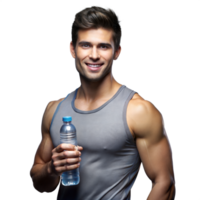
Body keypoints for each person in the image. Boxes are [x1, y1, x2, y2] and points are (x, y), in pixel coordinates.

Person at [30, 5, 176, 200]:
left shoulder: (138, 110)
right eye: (85, 45)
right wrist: (51, 168)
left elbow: (164, 182)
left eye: (104, 46)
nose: (94, 55)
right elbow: (40, 183)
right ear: (72, 49)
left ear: (117, 52)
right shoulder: (54, 110)